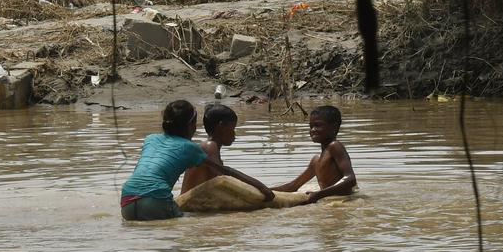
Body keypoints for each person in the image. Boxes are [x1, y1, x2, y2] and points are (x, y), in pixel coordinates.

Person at [120, 100, 273, 221]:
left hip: (127, 201)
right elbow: (224, 174)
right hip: (156, 200)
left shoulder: (150, 139)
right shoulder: (189, 147)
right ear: (190, 125)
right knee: (192, 226)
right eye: (195, 124)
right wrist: (262, 187)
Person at [273, 105, 357, 204]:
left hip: (345, 202)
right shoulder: (316, 161)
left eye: (318, 125)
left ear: (334, 127)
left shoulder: (335, 146)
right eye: (311, 126)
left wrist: (318, 194)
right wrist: (265, 189)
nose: (312, 130)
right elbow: (293, 186)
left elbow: (350, 179)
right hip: (329, 202)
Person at [181, 104, 270, 193]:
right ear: (221, 127)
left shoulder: (211, 148)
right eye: (232, 129)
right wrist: (260, 186)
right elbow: (224, 176)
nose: (234, 134)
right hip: (190, 205)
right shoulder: (209, 146)